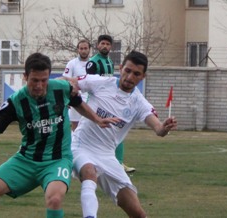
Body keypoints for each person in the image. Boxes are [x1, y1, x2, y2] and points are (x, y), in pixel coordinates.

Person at [0, 53, 118, 218]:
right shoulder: (15, 102)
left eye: (44, 80)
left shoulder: (62, 89)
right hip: (26, 161)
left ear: (49, 77)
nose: (39, 85)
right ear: (25, 77)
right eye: (34, 80)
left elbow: (78, 104)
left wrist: (97, 119)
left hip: (57, 160)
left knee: (55, 199)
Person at [71, 50, 177, 217]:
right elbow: (71, 82)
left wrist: (164, 127)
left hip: (107, 155)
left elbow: (158, 129)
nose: (129, 77)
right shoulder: (101, 83)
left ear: (143, 77)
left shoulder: (139, 102)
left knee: (138, 213)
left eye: (136, 74)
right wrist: (67, 86)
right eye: (127, 71)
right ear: (120, 68)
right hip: (81, 146)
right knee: (90, 173)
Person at [86, 34, 135, 173]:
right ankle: (85, 161)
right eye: (102, 43)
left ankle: (117, 163)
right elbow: (89, 84)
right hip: (97, 104)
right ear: (97, 45)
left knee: (117, 130)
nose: (105, 46)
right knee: (91, 133)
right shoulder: (93, 63)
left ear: (111, 47)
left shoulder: (109, 61)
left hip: (110, 102)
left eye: (108, 44)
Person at [63, 39, 91, 131]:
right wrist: (67, 98)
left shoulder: (93, 63)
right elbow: (65, 80)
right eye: (81, 48)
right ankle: (74, 144)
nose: (83, 51)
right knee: (75, 127)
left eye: (85, 48)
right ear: (78, 50)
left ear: (89, 49)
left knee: (89, 127)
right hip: (76, 99)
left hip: (91, 99)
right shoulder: (72, 64)